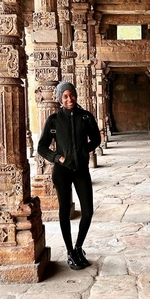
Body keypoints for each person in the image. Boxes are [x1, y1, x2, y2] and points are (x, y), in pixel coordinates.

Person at [38, 82, 101, 270]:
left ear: (75, 95)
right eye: (65, 96)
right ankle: (69, 251)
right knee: (64, 211)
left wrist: (84, 151)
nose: (69, 99)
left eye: (71, 95)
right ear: (60, 99)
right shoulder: (54, 120)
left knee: (88, 212)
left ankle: (78, 246)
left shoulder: (86, 117)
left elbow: (96, 139)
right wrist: (57, 157)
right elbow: (42, 147)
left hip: (81, 169)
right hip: (62, 172)